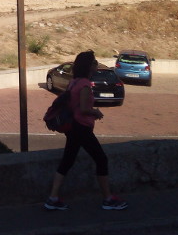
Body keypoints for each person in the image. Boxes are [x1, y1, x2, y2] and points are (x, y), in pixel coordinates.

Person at [44, 50, 128, 211]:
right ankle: (108, 199)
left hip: (73, 127)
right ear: (89, 66)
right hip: (81, 127)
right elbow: (83, 109)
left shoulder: (73, 82)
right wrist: (95, 112)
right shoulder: (84, 85)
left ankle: (53, 198)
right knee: (101, 159)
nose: (96, 65)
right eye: (94, 62)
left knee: (67, 161)